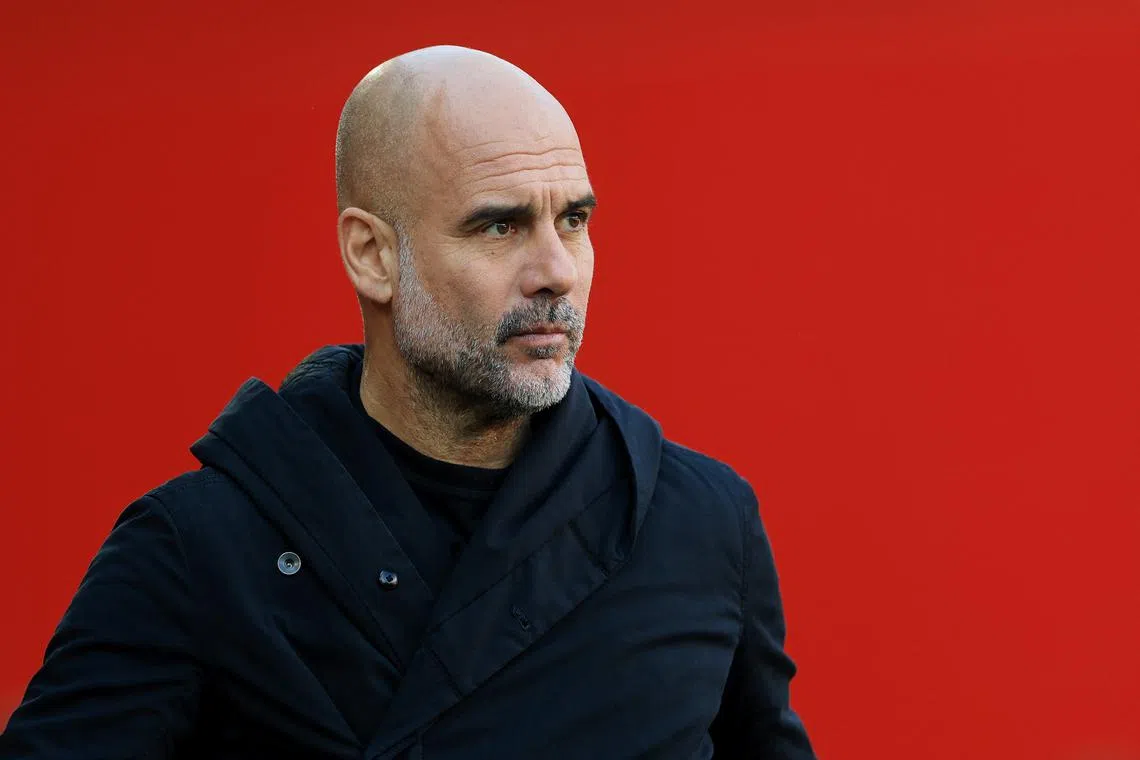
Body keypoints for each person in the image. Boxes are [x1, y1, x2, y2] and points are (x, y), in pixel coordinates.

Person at [0, 45, 815, 759]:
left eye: (572, 219)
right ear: (372, 255)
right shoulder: (201, 548)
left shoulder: (700, 521)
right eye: (498, 227)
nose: (556, 271)